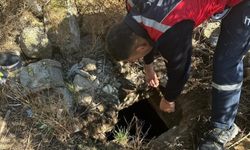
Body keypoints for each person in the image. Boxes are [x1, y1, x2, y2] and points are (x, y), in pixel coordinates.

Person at [105, 0, 250, 149]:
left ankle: (224, 127)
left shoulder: (174, 31)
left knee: (226, 61)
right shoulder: (133, 4)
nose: (132, 62)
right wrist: (149, 66)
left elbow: (180, 71)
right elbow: (145, 35)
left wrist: (168, 99)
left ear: (141, 47)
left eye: (132, 60)